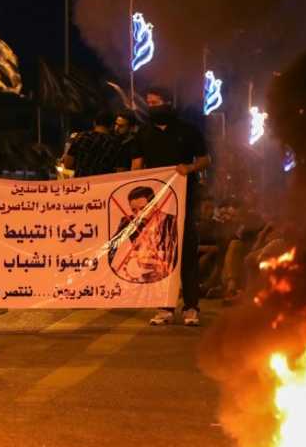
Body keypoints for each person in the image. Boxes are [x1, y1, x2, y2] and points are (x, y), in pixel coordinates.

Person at [129, 91, 212, 326]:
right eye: (149, 103)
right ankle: (164, 307)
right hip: (157, 205)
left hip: (185, 199)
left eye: (156, 103)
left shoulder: (188, 130)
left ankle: (191, 307)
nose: (152, 107)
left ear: (168, 103)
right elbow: (136, 166)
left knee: (186, 252)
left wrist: (189, 167)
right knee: (162, 254)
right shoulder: (143, 134)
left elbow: (206, 160)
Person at [109, 185, 179, 282]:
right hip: (136, 274)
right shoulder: (128, 222)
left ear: (155, 205)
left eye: (143, 208)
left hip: (163, 277)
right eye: (134, 210)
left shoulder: (171, 222)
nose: (139, 214)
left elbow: (175, 256)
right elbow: (111, 248)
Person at [61, 111, 129, 178]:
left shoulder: (81, 137)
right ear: (112, 125)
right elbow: (121, 172)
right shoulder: (116, 144)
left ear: (94, 123)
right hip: (105, 185)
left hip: (82, 184)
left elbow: (67, 164)